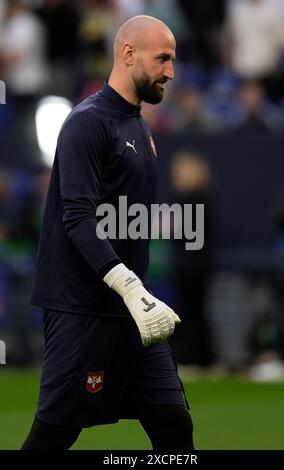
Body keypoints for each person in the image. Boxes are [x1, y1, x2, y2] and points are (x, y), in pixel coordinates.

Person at [21, 15, 194, 451]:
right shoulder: (86, 122)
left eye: (172, 61)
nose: (170, 72)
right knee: (52, 438)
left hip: (134, 315)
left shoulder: (138, 125)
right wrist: (132, 288)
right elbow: (76, 217)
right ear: (128, 53)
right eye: (163, 59)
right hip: (84, 311)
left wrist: (138, 296)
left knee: (175, 426)